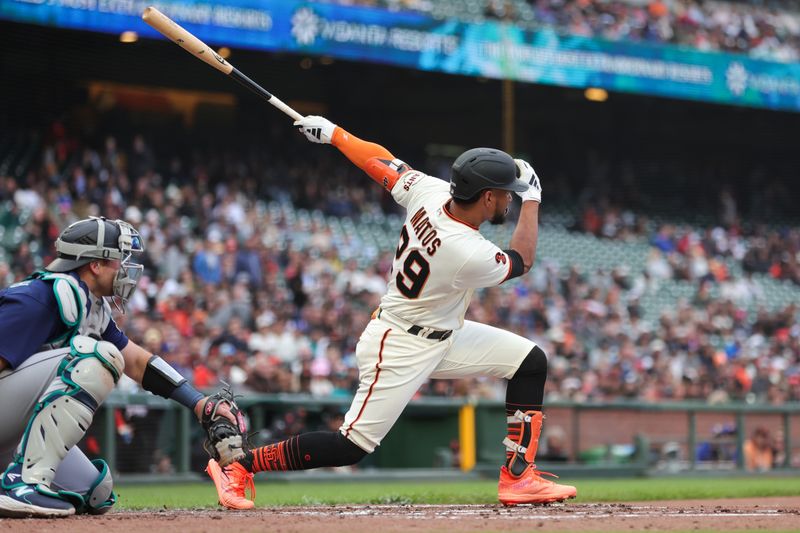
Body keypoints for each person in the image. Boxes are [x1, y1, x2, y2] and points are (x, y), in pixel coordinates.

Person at [206, 116, 576, 507]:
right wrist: (532, 196)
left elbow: (380, 161)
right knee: (352, 446)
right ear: (486, 198)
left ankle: (518, 478)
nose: (508, 199)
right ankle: (239, 464)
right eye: (505, 193)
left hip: (442, 331)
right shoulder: (466, 251)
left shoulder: (432, 192)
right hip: (400, 342)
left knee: (529, 362)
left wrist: (335, 135)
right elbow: (523, 259)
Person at [0, 217, 239, 518]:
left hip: (10, 426)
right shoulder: (42, 296)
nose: (124, 269)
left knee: (94, 493)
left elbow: (138, 363)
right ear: (95, 265)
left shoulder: (91, 306)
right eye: (117, 259)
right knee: (98, 357)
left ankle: (20, 479)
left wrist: (199, 403)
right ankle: (22, 482)